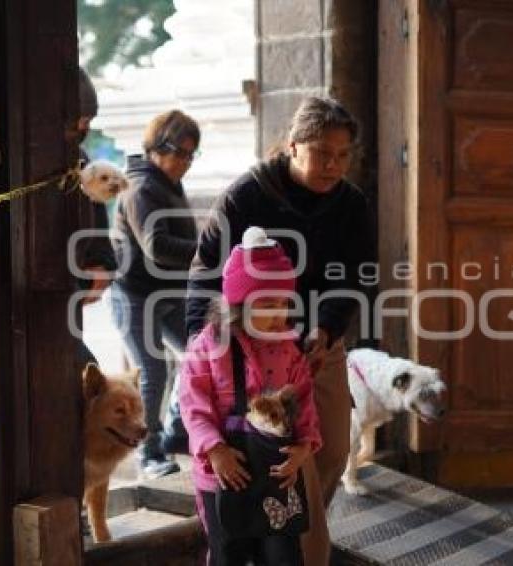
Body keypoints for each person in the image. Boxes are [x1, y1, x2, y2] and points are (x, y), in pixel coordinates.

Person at [186, 97, 374, 565]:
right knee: (238, 447)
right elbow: (206, 270)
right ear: (293, 146)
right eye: (322, 153)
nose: (333, 164)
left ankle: (290, 532)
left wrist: (327, 330)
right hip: (243, 345)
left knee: (325, 448)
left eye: (343, 154)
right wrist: (202, 340)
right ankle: (256, 539)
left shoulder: (351, 205)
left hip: (313, 343)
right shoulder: (248, 195)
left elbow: (355, 276)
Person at [181, 226, 322, 566]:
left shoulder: (290, 349)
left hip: (275, 476)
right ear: (239, 304)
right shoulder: (209, 346)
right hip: (223, 474)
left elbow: (303, 404)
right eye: (267, 304)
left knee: (283, 556)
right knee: (229, 553)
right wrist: (214, 450)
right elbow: (193, 405)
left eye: (284, 303)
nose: (278, 314)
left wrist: (303, 450)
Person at [110, 109, 200, 478]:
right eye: (179, 153)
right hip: (135, 295)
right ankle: (147, 453)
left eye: (191, 156)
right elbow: (157, 246)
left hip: (169, 292)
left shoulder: (167, 182)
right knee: (152, 372)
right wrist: (206, 249)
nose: (185, 163)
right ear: (156, 148)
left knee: (203, 351)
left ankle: (175, 433)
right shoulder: (141, 186)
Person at [72, 66, 116, 366]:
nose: (84, 127)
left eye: (89, 121)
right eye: (81, 119)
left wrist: (103, 267)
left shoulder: (82, 161)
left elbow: (98, 224)